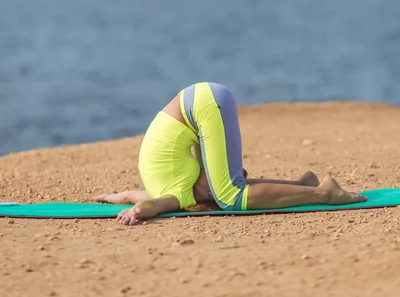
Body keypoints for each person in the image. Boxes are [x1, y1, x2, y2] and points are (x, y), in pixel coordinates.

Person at [96, 82, 367, 225]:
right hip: (200, 100)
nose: (209, 183)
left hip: (201, 106)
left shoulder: (175, 196)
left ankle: (325, 193)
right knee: (230, 187)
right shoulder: (170, 189)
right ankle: (304, 186)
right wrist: (111, 197)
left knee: (228, 195)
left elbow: (146, 204)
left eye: (208, 189)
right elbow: (130, 194)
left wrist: (135, 212)